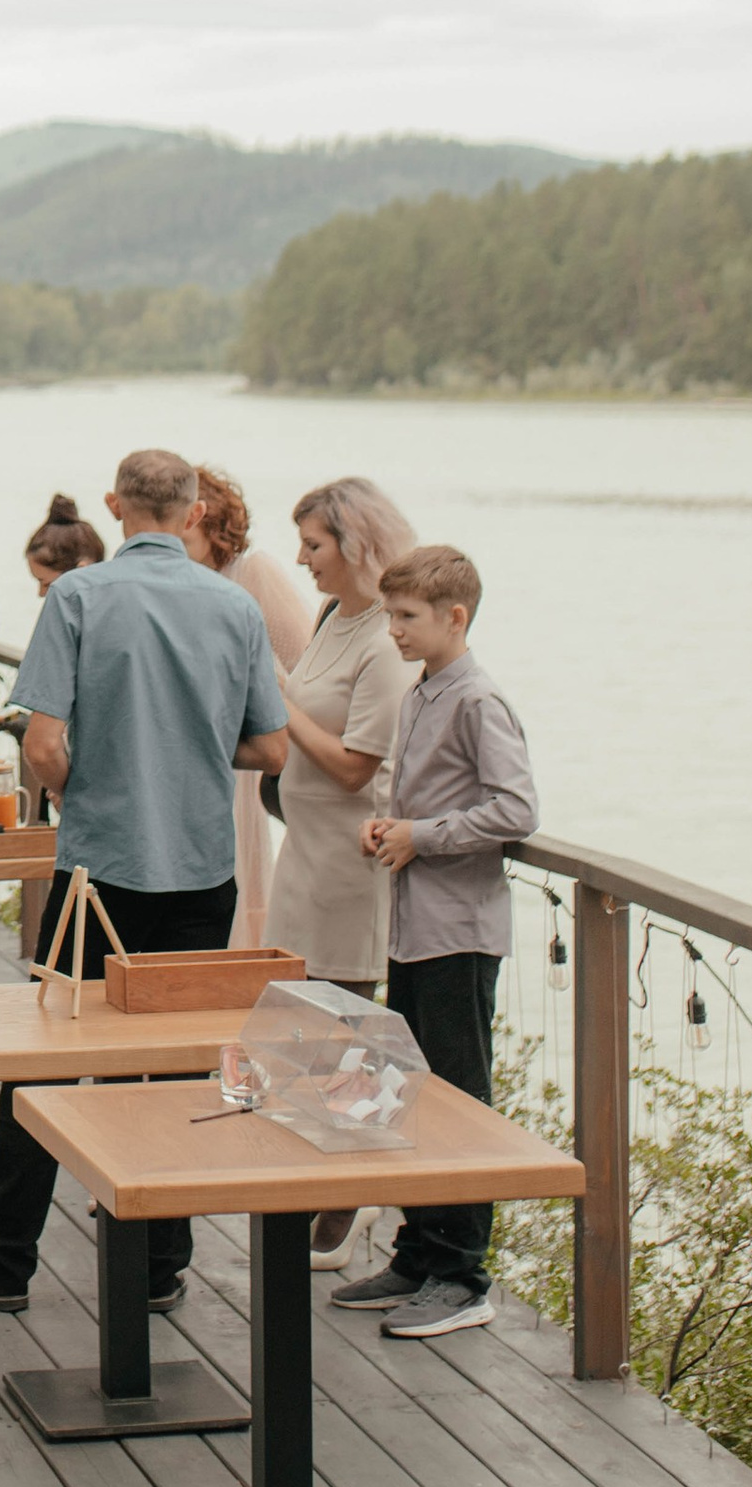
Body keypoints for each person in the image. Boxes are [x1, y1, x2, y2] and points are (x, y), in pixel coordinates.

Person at [0, 447, 287, 1317]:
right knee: (177, 1069)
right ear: (194, 510)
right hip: (201, 871)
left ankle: (6, 1256)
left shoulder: (79, 596)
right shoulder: (235, 607)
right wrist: (187, 748)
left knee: (49, 1058)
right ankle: (159, 1260)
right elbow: (269, 749)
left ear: (117, 505)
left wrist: (104, 771)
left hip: (101, 870)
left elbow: (43, 746)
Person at [333, 542, 539, 1342]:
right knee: (411, 1086)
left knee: (459, 1096)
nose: (394, 630)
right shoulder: (424, 693)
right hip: (413, 926)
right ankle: (418, 1249)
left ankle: (463, 1271)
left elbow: (516, 810)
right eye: (389, 614)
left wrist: (425, 834)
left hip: (458, 933)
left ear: (455, 616)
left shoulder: (478, 699)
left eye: (408, 616)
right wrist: (394, 828)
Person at [273, 477, 417, 1265]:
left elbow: (358, 767)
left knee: (347, 1034)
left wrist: (279, 702)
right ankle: (317, 1187)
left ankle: (348, 1198)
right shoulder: (333, 617)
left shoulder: (381, 644)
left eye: (315, 545)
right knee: (304, 1032)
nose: (302, 560)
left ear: (355, 543)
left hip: (347, 864)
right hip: (301, 849)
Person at [184, 465, 312, 952]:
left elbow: (304, 663)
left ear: (211, 523)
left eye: (187, 527)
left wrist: (253, 683)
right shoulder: (178, 583)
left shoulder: (252, 572)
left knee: (237, 868)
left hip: (242, 751)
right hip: (197, 751)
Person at [8, 497, 105, 957]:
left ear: (82, 568)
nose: (42, 595)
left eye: (45, 583)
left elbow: (42, 746)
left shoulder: (70, 611)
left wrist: (66, 789)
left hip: (88, 811)